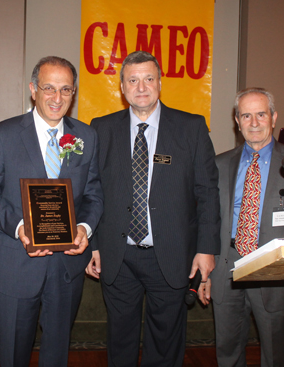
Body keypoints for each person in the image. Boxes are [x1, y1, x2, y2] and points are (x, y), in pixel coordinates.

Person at [86, 50, 220, 366]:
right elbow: (91, 191)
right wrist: (92, 244)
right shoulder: (100, 129)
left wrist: (206, 248)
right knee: (120, 340)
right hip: (117, 255)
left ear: (160, 82)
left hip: (172, 254)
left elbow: (208, 193)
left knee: (166, 343)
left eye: (148, 78)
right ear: (121, 87)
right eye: (133, 80)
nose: (141, 86)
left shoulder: (192, 128)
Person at [0, 56, 103, 367]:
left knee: (57, 354)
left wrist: (84, 228)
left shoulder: (86, 136)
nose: (57, 98)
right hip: (16, 265)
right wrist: (20, 227)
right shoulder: (1, 135)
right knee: (15, 354)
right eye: (48, 88)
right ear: (33, 89)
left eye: (66, 90)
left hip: (66, 268)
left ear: (73, 93)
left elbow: (94, 194)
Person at [201, 87, 284, 367]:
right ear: (236, 120)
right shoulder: (218, 165)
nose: (254, 122)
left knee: (274, 353)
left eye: (260, 114)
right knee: (227, 351)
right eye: (246, 115)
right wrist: (207, 274)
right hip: (226, 269)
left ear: (274, 117)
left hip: (275, 273)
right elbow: (208, 221)